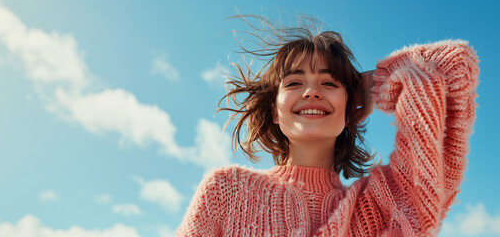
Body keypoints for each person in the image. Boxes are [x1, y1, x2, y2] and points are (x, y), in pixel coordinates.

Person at [177, 16, 479, 236]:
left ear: (351, 108)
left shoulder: (377, 206)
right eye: (294, 82)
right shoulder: (227, 191)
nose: (311, 91)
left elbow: (455, 66)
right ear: (274, 112)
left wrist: (378, 79)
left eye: (328, 82)